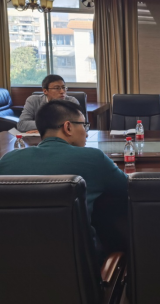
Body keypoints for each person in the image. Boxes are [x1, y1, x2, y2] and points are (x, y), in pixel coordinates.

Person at [0, 100, 128, 256]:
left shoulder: (8, 160)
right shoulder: (93, 158)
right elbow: (129, 188)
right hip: (78, 265)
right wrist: (110, 168)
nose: (87, 133)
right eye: (84, 126)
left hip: (14, 263)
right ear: (68, 127)